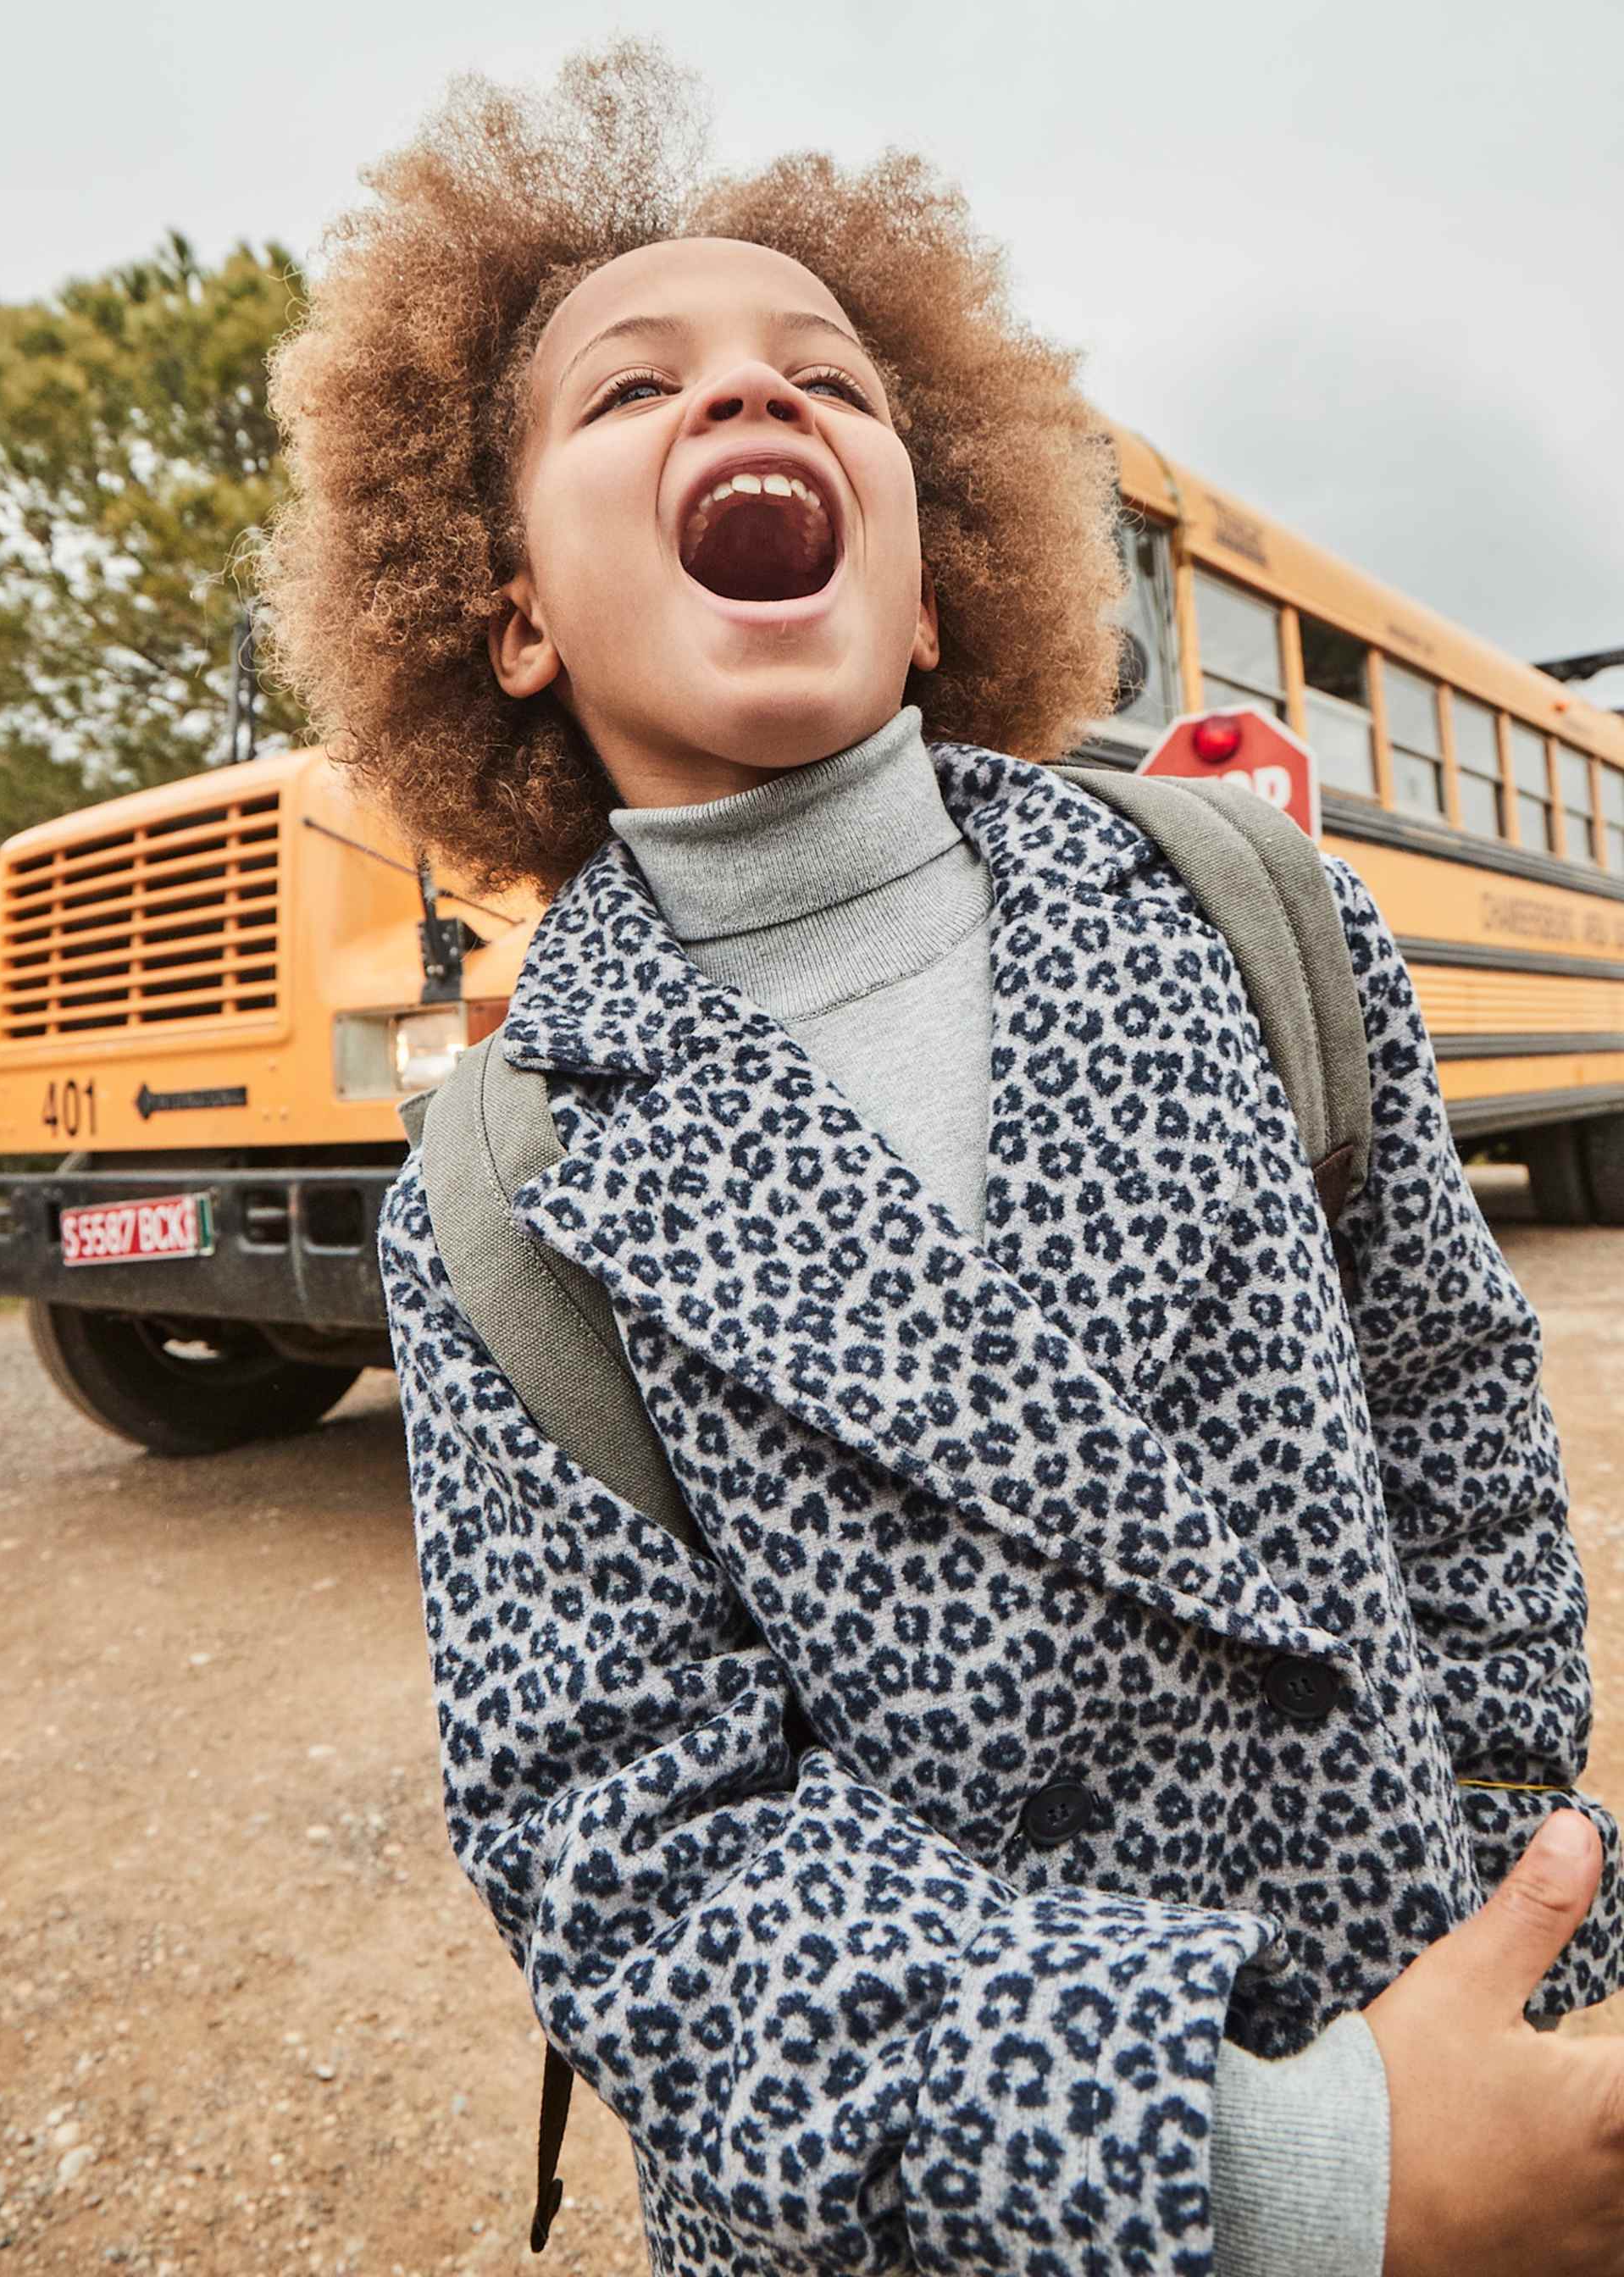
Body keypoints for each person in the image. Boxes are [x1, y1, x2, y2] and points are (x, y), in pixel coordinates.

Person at [257, 42, 1624, 2277]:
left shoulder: (1254, 913)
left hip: (1434, 2001)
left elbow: (1446, 1398)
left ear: (926, 578)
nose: (746, 395)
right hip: (963, 2214)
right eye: (631, 389)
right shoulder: (496, 1198)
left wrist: (1496, 1845)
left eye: (831, 379)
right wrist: (1281, 2170)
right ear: (511, 612)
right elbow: (631, 1838)